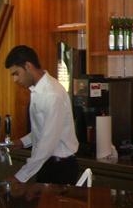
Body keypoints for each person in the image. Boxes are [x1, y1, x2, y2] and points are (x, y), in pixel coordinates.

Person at [5, 45, 79, 185]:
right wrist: (22, 142)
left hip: (60, 168)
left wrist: (20, 177)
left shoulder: (52, 94)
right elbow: (42, 130)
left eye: (16, 73)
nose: (15, 79)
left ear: (28, 66)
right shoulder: (38, 91)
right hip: (47, 165)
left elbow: (47, 142)